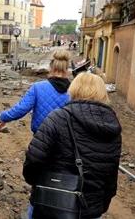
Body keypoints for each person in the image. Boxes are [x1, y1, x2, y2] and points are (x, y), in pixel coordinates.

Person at [23, 72, 122, 219]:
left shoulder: (57, 118)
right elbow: (111, 174)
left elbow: (33, 161)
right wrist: (100, 205)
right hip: (91, 208)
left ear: (74, 89)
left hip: (51, 203)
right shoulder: (113, 126)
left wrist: (36, 184)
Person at [0, 50, 71, 134]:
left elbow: (21, 109)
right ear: (67, 68)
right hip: (66, 139)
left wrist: (2, 117)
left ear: (51, 67)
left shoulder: (37, 87)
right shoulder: (76, 90)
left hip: (41, 137)